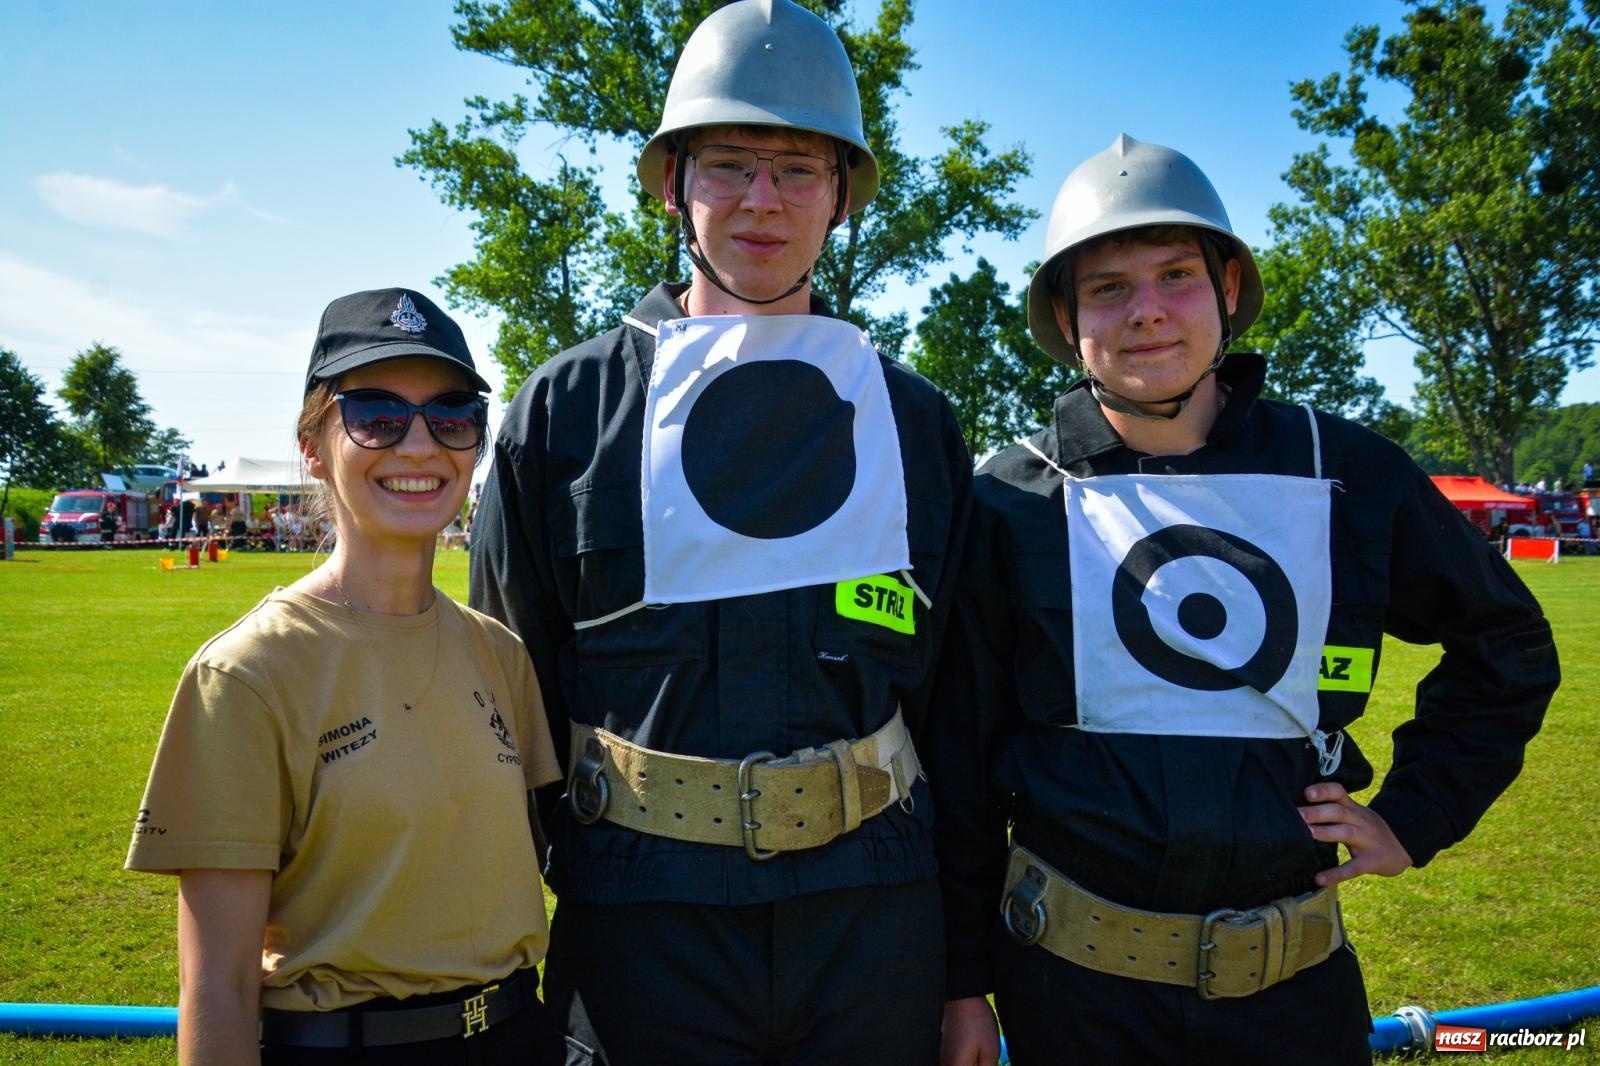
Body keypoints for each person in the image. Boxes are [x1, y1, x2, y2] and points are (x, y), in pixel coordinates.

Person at [928, 136, 1560, 1066]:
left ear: (1228, 288)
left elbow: (1506, 643)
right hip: (1073, 997)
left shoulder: (1344, 469)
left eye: (1175, 276)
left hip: (1294, 998)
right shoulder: (1011, 498)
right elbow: (958, 753)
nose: (1146, 314)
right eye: (1108, 287)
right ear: (1065, 316)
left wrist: (1415, 816)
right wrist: (959, 982)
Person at [468, 3, 971, 1062]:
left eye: (797, 169)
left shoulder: (914, 421)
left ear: (841, 197)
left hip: (872, 920)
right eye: (728, 163)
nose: (761, 200)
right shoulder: (563, 415)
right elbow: (501, 715)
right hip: (640, 927)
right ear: (670, 184)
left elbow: (960, 717)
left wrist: (965, 971)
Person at [127, 287, 566, 1065]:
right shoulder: (246, 673)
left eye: (453, 414)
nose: (421, 447)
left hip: (516, 1037)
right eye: (376, 415)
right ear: (313, 446)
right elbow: (218, 989)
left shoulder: (501, 655)